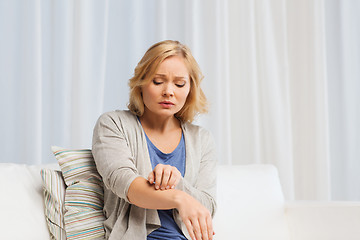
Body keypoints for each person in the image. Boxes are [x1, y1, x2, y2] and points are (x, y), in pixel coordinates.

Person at [92, 40, 217, 240]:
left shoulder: (201, 139)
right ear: (141, 84)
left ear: (190, 89)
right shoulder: (113, 124)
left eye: (179, 83)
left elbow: (207, 206)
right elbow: (125, 184)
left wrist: (176, 181)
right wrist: (180, 198)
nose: (169, 91)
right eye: (158, 81)